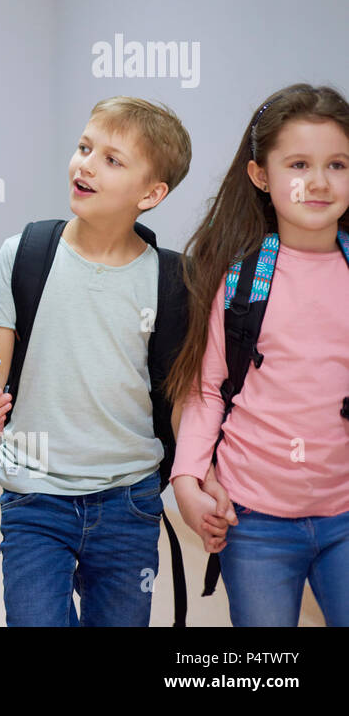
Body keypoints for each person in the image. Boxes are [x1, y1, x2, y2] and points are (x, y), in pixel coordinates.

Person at [0, 97, 201, 626]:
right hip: (35, 497)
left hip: (130, 501)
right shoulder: (24, 253)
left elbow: (183, 398)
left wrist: (196, 477)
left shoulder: (174, 281)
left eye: (112, 160)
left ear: (152, 193)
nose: (86, 164)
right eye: (84, 147)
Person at [168, 84, 349, 626]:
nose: (318, 182)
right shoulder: (242, 280)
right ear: (261, 176)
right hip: (254, 520)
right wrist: (186, 481)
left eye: (338, 164)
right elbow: (206, 390)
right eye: (298, 164)